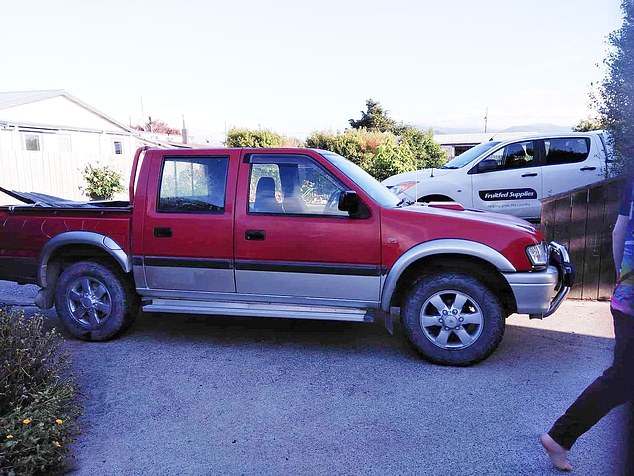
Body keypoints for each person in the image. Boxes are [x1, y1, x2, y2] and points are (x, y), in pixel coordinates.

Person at [541, 178, 634, 472]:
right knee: (621, 379)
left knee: (621, 379)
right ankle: (559, 437)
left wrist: (624, 280)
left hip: (627, 298)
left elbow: (618, 233)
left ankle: (560, 438)